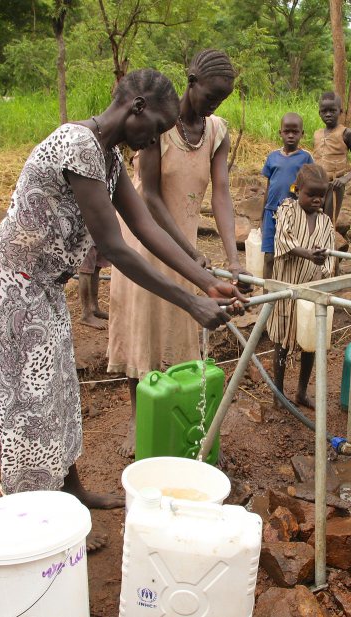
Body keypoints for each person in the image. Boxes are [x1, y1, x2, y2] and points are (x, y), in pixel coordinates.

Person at [0, 69, 244, 506]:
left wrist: (207, 282)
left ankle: (72, 492)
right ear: (137, 108)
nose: (152, 142)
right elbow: (118, 247)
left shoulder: (107, 158)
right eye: (154, 130)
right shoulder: (78, 146)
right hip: (12, 289)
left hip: (44, 287)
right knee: (30, 408)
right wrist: (189, 301)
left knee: (58, 393)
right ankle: (36, 514)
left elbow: (145, 226)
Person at [107, 49, 247, 458]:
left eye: (220, 100)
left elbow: (220, 194)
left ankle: (175, 411)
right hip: (145, 240)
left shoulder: (217, 132)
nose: (212, 105)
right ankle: (140, 416)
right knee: (142, 330)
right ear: (191, 82)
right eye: (209, 96)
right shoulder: (157, 126)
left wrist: (233, 256)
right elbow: (149, 197)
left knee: (178, 332)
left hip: (186, 250)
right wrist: (190, 250)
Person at [268, 164, 336, 408]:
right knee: (282, 343)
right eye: (311, 194)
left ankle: (301, 392)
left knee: (310, 343)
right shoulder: (287, 209)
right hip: (287, 288)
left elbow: (330, 255)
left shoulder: (326, 222)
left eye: (322, 195)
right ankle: (277, 392)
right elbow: (282, 240)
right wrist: (309, 254)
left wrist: (323, 260)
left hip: (311, 290)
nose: (317, 199)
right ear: (298, 191)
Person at [261, 112, 314, 278]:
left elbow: (311, 185)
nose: (291, 135)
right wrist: (262, 217)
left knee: (290, 254)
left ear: (302, 134)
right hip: (272, 212)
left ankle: (287, 297)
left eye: (295, 132)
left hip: (293, 213)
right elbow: (268, 187)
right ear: (280, 133)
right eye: (287, 131)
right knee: (269, 256)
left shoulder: (306, 158)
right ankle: (267, 299)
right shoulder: (272, 157)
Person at [313, 92, 351, 224]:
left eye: (332, 111)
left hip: (335, 185)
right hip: (316, 184)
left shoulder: (346, 133)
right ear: (319, 113)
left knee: (328, 222)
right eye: (324, 111)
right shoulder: (317, 134)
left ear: (340, 111)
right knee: (312, 219)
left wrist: (344, 179)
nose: (328, 114)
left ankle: (328, 244)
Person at [76, 245, 109, 329]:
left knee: (96, 266)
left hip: (99, 234)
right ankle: (86, 314)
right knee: (86, 270)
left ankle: (94, 308)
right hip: (87, 234)